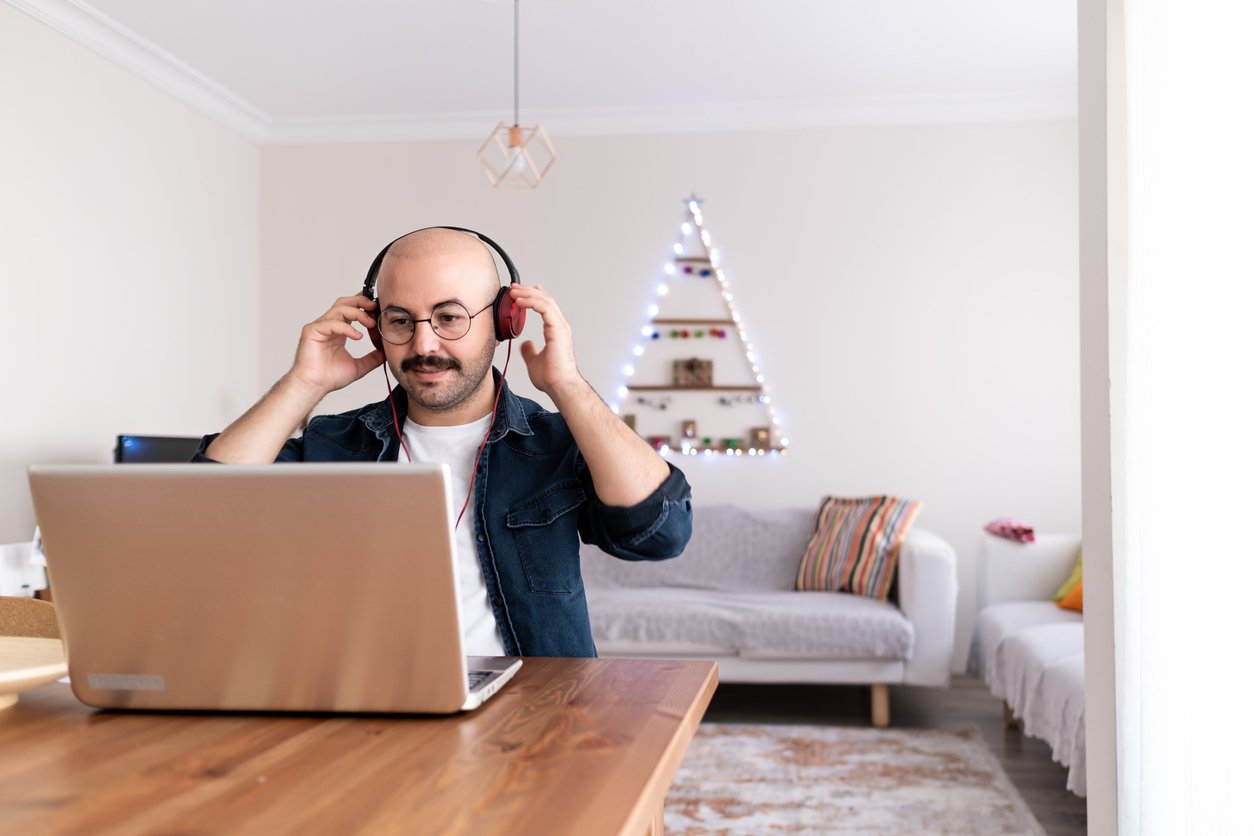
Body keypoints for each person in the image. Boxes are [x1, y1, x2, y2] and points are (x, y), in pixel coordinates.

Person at [196, 227, 692, 657]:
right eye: (399, 320)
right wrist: (303, 383)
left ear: (504, 323)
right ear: (375, 329)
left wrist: (568, 386)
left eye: (449, 317)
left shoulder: (557, 443)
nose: (424, 345)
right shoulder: (332, 444)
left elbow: (660, 533)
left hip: (533, 709)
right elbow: (203, 517)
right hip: (368, 703)